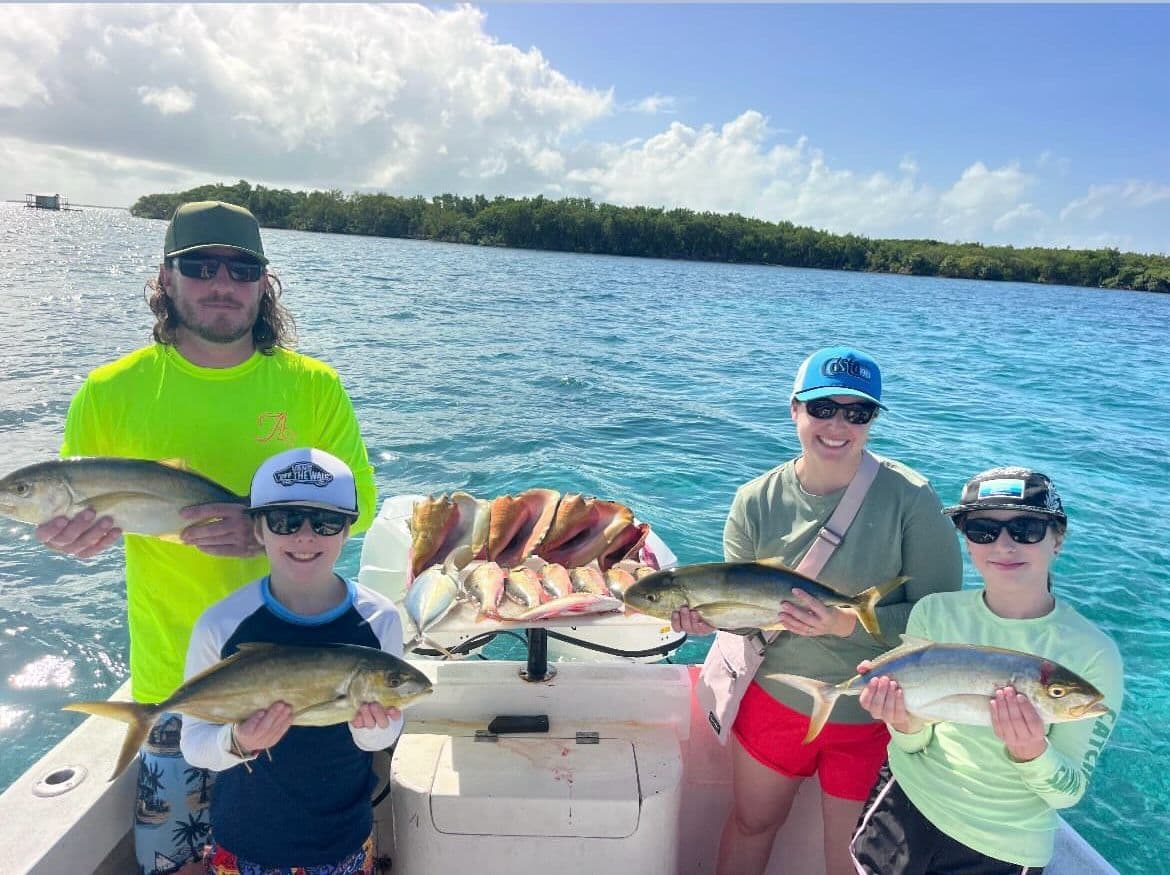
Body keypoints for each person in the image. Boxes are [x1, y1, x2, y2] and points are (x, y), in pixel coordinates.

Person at [34, 201, 377, 874]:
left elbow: (358, 505)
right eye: (200, 265)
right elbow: (78, 510)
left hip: (294, 675)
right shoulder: (107, 392)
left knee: (298, 857)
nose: (222, 282)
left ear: (263, 283)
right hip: (174, 677)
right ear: (166, 278)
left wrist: (261, 530)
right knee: (175, 862)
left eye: (241, 267)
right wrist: (71, 538)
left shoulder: (314, 387)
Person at [673, 345, 962, 875]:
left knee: (849, 860)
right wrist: (703, 619)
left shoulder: (913, 500)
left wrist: (847, 622)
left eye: (858, 412)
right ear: (795, 410)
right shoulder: (754, 501)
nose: (838, 425)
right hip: (773, 704)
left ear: (872, 420)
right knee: (751, 826)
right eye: (823, 407)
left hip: (875, 716)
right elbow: (741, 613)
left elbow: (941, 623)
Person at [851, 467, 1123, 874]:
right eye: (982, 530)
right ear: (967, 541)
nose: (1004, 544)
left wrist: (1031, 751)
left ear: (1058, 538)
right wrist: (903, 723)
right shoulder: (933, 613)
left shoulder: (1093, 655)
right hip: (903, 804)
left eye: (1026, 528)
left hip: (1002, 845)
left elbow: (1069, 791)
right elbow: (913, 744)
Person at [181, 447, 403, 875]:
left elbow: (388, 730)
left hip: (343, 838)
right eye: (285, 521)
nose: (305, 536)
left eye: (325, 522)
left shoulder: (381, 619)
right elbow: (194, 744)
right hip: (244, 840)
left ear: (347, 530)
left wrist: (374, 730)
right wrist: (240, 741)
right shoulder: (220, 624)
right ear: (258, 529)